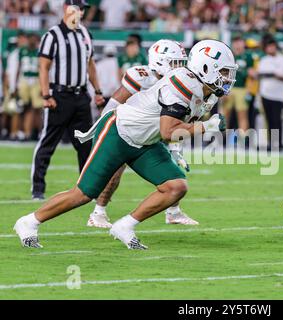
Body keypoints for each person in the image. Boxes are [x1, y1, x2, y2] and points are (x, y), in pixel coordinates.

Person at [14, 39, 238, 250]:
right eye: (225, 72)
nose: (228, 78)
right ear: (206, 68)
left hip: (146, 142)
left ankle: (125, 226)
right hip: (119, 132)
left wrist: (180, 147)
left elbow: (181, 125)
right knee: (83, 194)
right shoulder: (182, 83)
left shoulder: (209, 93)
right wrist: (206, 127)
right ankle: (29, 222)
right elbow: (168, 131)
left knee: (175, 187)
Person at [86, 39, 200, 228]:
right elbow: (113, 104)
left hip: (154, 132)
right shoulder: (142, 77)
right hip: (126, 130)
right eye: (175, 63)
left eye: (181, 63)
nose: (179, 68)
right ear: (159, 61)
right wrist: (102, 131)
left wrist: (176, 147)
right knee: (115, 171)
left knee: (171, 170)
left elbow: (178, 120)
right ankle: (98, 212)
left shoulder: (180, 82)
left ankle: (173, 212)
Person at [31, 0, 105, 200]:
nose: (80, 12)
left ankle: (87, 189)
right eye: (76, 7)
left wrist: (98, 91)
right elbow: (43, 67)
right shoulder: (52, 35)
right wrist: (46, 94)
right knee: (48, 142)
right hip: (59, 96)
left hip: (81, 96)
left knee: (86, 145)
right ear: (66, 8)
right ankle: (38, 189)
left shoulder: (86, 34)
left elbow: (90, 65)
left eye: (82, 9)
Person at [258, 35, 283, 150]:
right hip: (265, 94)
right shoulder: (264, 60)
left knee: (277, 120)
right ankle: (272, 143)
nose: (270, 49)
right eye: (268, 47)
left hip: (278, 95)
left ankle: (278, 144)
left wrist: (280, 77)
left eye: (272, 46)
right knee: (269, 120)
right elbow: (260, 74)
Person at [222, 36, 252, 137]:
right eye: (236, 42)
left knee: (242, 115)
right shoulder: (229, 56)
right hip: (229, 87)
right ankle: (221, 139)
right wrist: (224, 90)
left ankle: (243, 139)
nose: (237, 45)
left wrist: (249, 89)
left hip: (242, 88)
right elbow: (224, 74)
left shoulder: (248, 56)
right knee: (224, 115)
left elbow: (252, 75)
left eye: (239, 42)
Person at [16, 33, 43, 141]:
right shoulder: (22, 51)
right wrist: (16, 84)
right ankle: (26, 133)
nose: (32, 41)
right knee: (25, 108)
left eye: (34, 39)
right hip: (25, 79)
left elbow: (44, 69)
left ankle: (37, 133)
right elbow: (18, 68)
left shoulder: (40, 52)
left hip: (36, 80)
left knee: (37, 109)